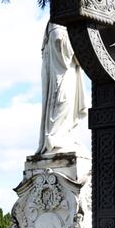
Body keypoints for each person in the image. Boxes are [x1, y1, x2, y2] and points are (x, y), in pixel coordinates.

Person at [37, 21, 87, 156]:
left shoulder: (61, 22)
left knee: (69, 106)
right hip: (60, 73)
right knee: (62, 102)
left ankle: (66, 138)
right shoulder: (57, 23)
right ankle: (56, 140)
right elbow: (59, 43)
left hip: (68, 71)